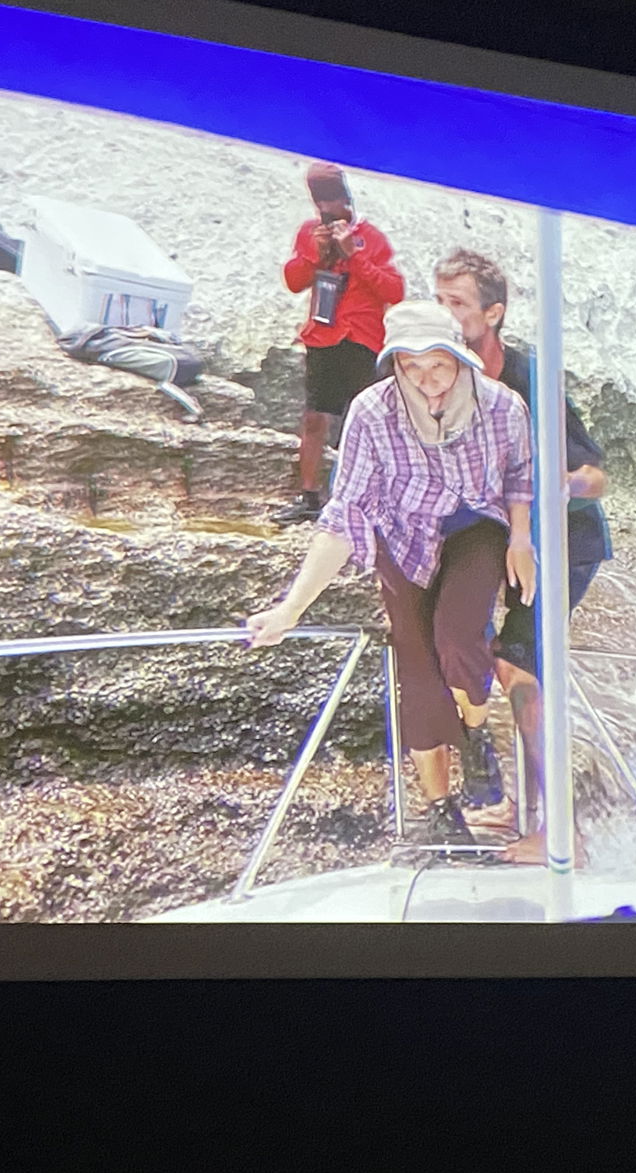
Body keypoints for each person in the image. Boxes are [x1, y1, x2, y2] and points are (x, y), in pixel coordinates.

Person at [247, 300, 535, 844]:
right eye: (412, 367)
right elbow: (345, 514)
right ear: (395, 366)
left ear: (461, 359)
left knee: (458, 637)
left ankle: (475, 737)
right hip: (401, 536)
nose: (429, 382)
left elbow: (519, 472)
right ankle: (441, 812)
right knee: (418, 670)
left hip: (476, 526)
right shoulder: (372, 412)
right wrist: (290, 609)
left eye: (440, 366)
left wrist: (521, 538)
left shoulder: (503, 407)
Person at [434, 249, 613, 865]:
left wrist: (561, 487)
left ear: (494, 313)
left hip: (566, 543)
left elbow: (597, 475)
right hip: (502, 544)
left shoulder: (531, 378)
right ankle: (521, 805)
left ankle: (562, 831)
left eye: (456, 304)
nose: (445, 315)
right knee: (470, 649)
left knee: (518, 666)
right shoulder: (443, 377)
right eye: (439, 301)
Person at [274, 163, 405, 525]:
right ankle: (310, 496)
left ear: (347, 200)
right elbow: (293, 281)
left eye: (334, 202)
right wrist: (313, 255)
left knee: (362, 423)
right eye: (322, 204)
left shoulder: (371, 238)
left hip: (362, 340)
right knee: (315, 418)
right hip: (322, 335)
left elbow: (394, 291)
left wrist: (355, 255)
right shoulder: (309, 234)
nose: (329, 211)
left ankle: (364, 499)